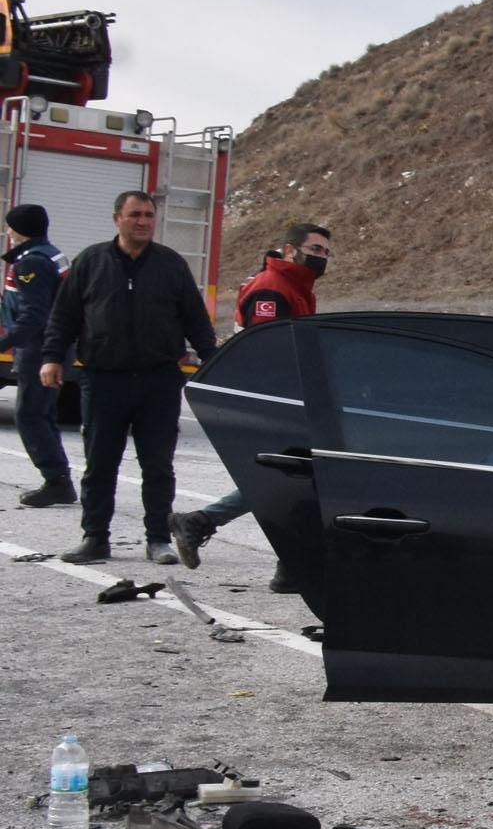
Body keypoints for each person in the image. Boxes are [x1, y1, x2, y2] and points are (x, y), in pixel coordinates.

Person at [37, 190, 216, 564]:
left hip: (160, 380)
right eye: (135, 214)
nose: (143, 222)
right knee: (100, 463)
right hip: (104, 379)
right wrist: (52, 357)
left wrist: (215, 363)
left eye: (149, 215)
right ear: (117, 218)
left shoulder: (171, 265)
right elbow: (64, 314)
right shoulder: (91, 261)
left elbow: (196, 321)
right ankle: (95, 537)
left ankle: (158, 539)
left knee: (158, 465)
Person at [169, 224, 333, 586]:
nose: (321, 257)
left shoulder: (295, 285)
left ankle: (288, 567)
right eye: (315, 249)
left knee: (296, 476)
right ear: (290, 251)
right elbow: (269, 352)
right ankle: (203, 523)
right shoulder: (274, 289)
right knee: (290, 476)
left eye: (325, 252)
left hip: (287, 397)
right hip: (273, 399)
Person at [5, 203, 74, 505]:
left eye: (10, 227)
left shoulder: (32, 263)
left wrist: (4, 342)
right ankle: (58, 478)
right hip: (52, 346)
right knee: (41, 414)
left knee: (30, 415)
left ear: (18, 231)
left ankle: (56, 480)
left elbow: (33, 315)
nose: (7, 233)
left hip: (40, 349)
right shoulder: (50, 253)